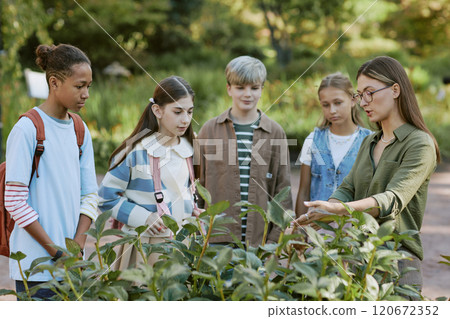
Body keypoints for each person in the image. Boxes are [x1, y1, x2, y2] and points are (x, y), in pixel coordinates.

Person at [295, 56, 440, 292]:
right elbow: (347, 188)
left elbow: (391, 201)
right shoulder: (369, 142)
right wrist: (323, 210)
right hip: (357, 258)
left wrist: (339, 210)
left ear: (395, 90)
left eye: (370, 92)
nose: (364, 102)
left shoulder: (420, 144)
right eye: (360, 95)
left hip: (397, 263)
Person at [5, 44, 98, 299]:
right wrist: (56, 251)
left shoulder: (80, 130)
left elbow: (90, 194)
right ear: (54, 83)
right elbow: (14, 201)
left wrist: (76, 246)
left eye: (88, 86)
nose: (86, 94)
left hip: (72, 267)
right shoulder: (27, 129)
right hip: (35, 269)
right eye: (79, 86)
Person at [98, 76, 199, 268]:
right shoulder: (135, 153)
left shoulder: (190, 149)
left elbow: (183, 192)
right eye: (178, 112)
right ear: (157, 110)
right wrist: (144, 218)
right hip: (145, 249)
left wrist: (191, 209)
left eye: (190, 112)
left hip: (183, 247)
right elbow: (105, 198)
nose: (185, 119)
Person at [197, 56, 292, 247]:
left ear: (262, 89)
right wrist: (199, 233)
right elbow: (197, 185)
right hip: (214, 240)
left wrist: (274, 240)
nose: (247, 94)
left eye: (254, 88)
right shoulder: (209, 130)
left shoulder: (275, 132)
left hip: (258, 241)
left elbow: (282, 189)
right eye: (240, 88)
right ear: (229, 89)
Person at [295, 72, 372, 218]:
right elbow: (303, 191)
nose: (332, 110)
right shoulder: (312, 140)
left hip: (354, 233)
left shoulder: (369, 141)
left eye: (338, 103)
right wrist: (299, 230)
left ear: (353, 100)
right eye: (326, 105)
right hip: (317, 232)